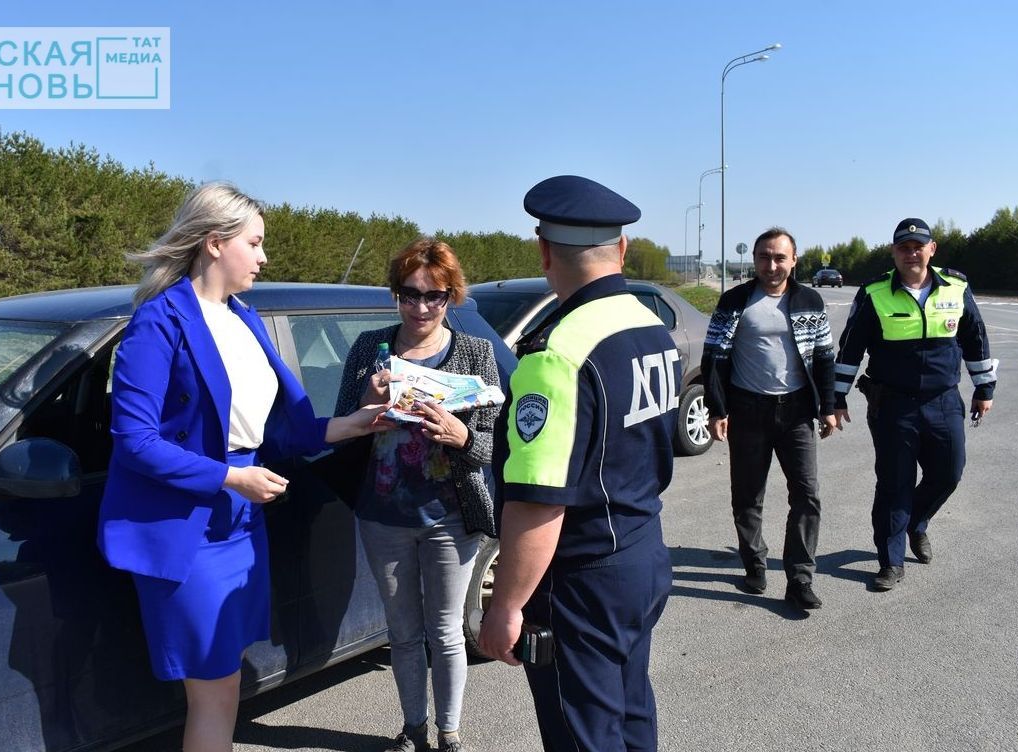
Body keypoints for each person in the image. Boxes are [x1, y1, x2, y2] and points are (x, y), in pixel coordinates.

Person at [97, 182, 387, 752]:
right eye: (254, 244)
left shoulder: (244, 318)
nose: (263, 257)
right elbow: (134, 440)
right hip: (187, 527)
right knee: (214, 688)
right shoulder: (158, 323)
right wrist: (231, 477)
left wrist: (357, 421)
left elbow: (275, 431)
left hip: (239, 521)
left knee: (225, 681)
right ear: (213, 243)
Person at [479, 175, 677, 751]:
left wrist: (506, 604)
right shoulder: (650, 329)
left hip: (584, 577)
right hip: (643, 550)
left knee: (583, 735)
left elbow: (539, 501)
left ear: (544, 252)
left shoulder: (557, 357)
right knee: (631, 713)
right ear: (621, 249)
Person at [334, 238, 501, 752]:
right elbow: (343, 423)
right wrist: (369, 401)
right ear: (395, 295)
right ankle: (413, 728)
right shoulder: (371, 348)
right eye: (410, 294)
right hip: (384, 514)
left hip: (451, 515)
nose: (422, 307)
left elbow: (493, 443)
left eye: (436, 296)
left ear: (452, 297)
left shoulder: (475, 352)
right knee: (402, 633)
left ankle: (449, 733)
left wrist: (463, 436)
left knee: (447, 632)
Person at [834, 218, 995, 591]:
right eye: (903, 248)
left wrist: (984, 388)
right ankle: (890, 562)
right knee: (894, 484)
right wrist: (836, 396)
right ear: (894, 252)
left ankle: (917, 523)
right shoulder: (875, 293)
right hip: (893, 406)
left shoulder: (956, 286)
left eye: (917, 246)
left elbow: (976, 339)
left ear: (931, 249)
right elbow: (851, 347)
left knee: (949, 473)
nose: (911, 253)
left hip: (944, 402)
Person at [700, 227, 838, 610]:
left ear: (794, 260)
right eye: (765, 257)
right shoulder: (736, 300)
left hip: (796, 412)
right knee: (747, 497)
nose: (772, 265)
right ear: (754, 260)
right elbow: (714, 357)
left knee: (807, 496)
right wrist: (718, 409)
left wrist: (827, 407)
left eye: (780, 257)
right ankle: (754, 565)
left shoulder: (810, 299)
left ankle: (800, 579)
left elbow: (824, 357)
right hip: (748, 411)